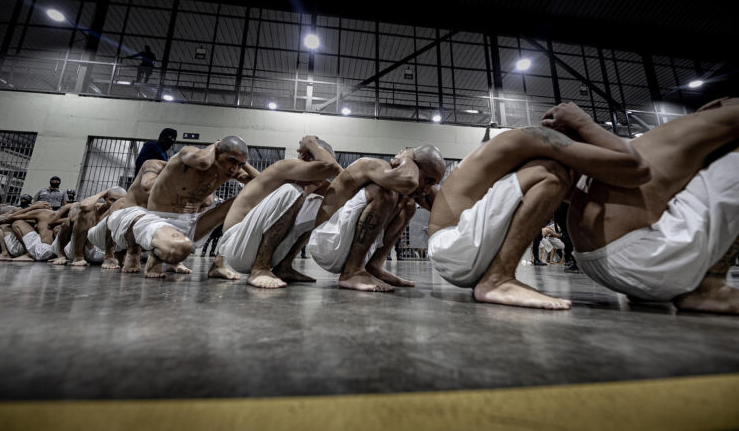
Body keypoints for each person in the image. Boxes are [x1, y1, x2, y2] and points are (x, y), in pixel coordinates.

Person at [427, 102, 650, 310]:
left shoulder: (524, 161)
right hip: (452, 245)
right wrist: (584, 122)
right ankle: (497, 280)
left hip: (463, 254)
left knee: (570, 183)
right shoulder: (533, 138)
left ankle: (496, 277)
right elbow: (637, 167)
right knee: (551, 173)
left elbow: (594, 197)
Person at [567, 97, 739, 314]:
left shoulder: (664, 139)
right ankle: (709, 287)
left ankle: (695, 281)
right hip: (646, 260)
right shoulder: (718, 123)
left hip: (593, 260)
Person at [307, 145, 446, 292]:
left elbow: (441, 207)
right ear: (415, 165)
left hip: (344, 248)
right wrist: (407, 156)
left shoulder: (408, 182)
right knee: (385, 193)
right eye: (429, 180)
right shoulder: (374, 165)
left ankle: (374, 266)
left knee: (409, 204)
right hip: (326, 244)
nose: (427, 189)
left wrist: (423, 179)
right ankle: (352, 272)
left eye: (433, 183)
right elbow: (408, 181)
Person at [211, 136, 341, 286]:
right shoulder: (285, 167)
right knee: (292, 191)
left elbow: (347, 184)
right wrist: (310, 143)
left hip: (269, 252)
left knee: (319, 204)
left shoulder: (315, 183)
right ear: (304, 157)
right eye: (319, 162)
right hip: (237, 247)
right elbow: (330, 167)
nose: (323, 176)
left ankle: (284, 267)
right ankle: (260, 268)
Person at [116, 136, 253, 278]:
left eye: (239, 164)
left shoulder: (229, 171)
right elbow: (203, 161)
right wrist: (216, 144)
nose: (234, 168)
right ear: (217, 151)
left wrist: (243, 163)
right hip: (159, 220)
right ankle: (148, 255)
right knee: (181, 247)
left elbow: (261, 184)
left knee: (246, 198)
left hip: (190, 222)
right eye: (231, 160)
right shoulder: (184, 156)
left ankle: (219, 263)